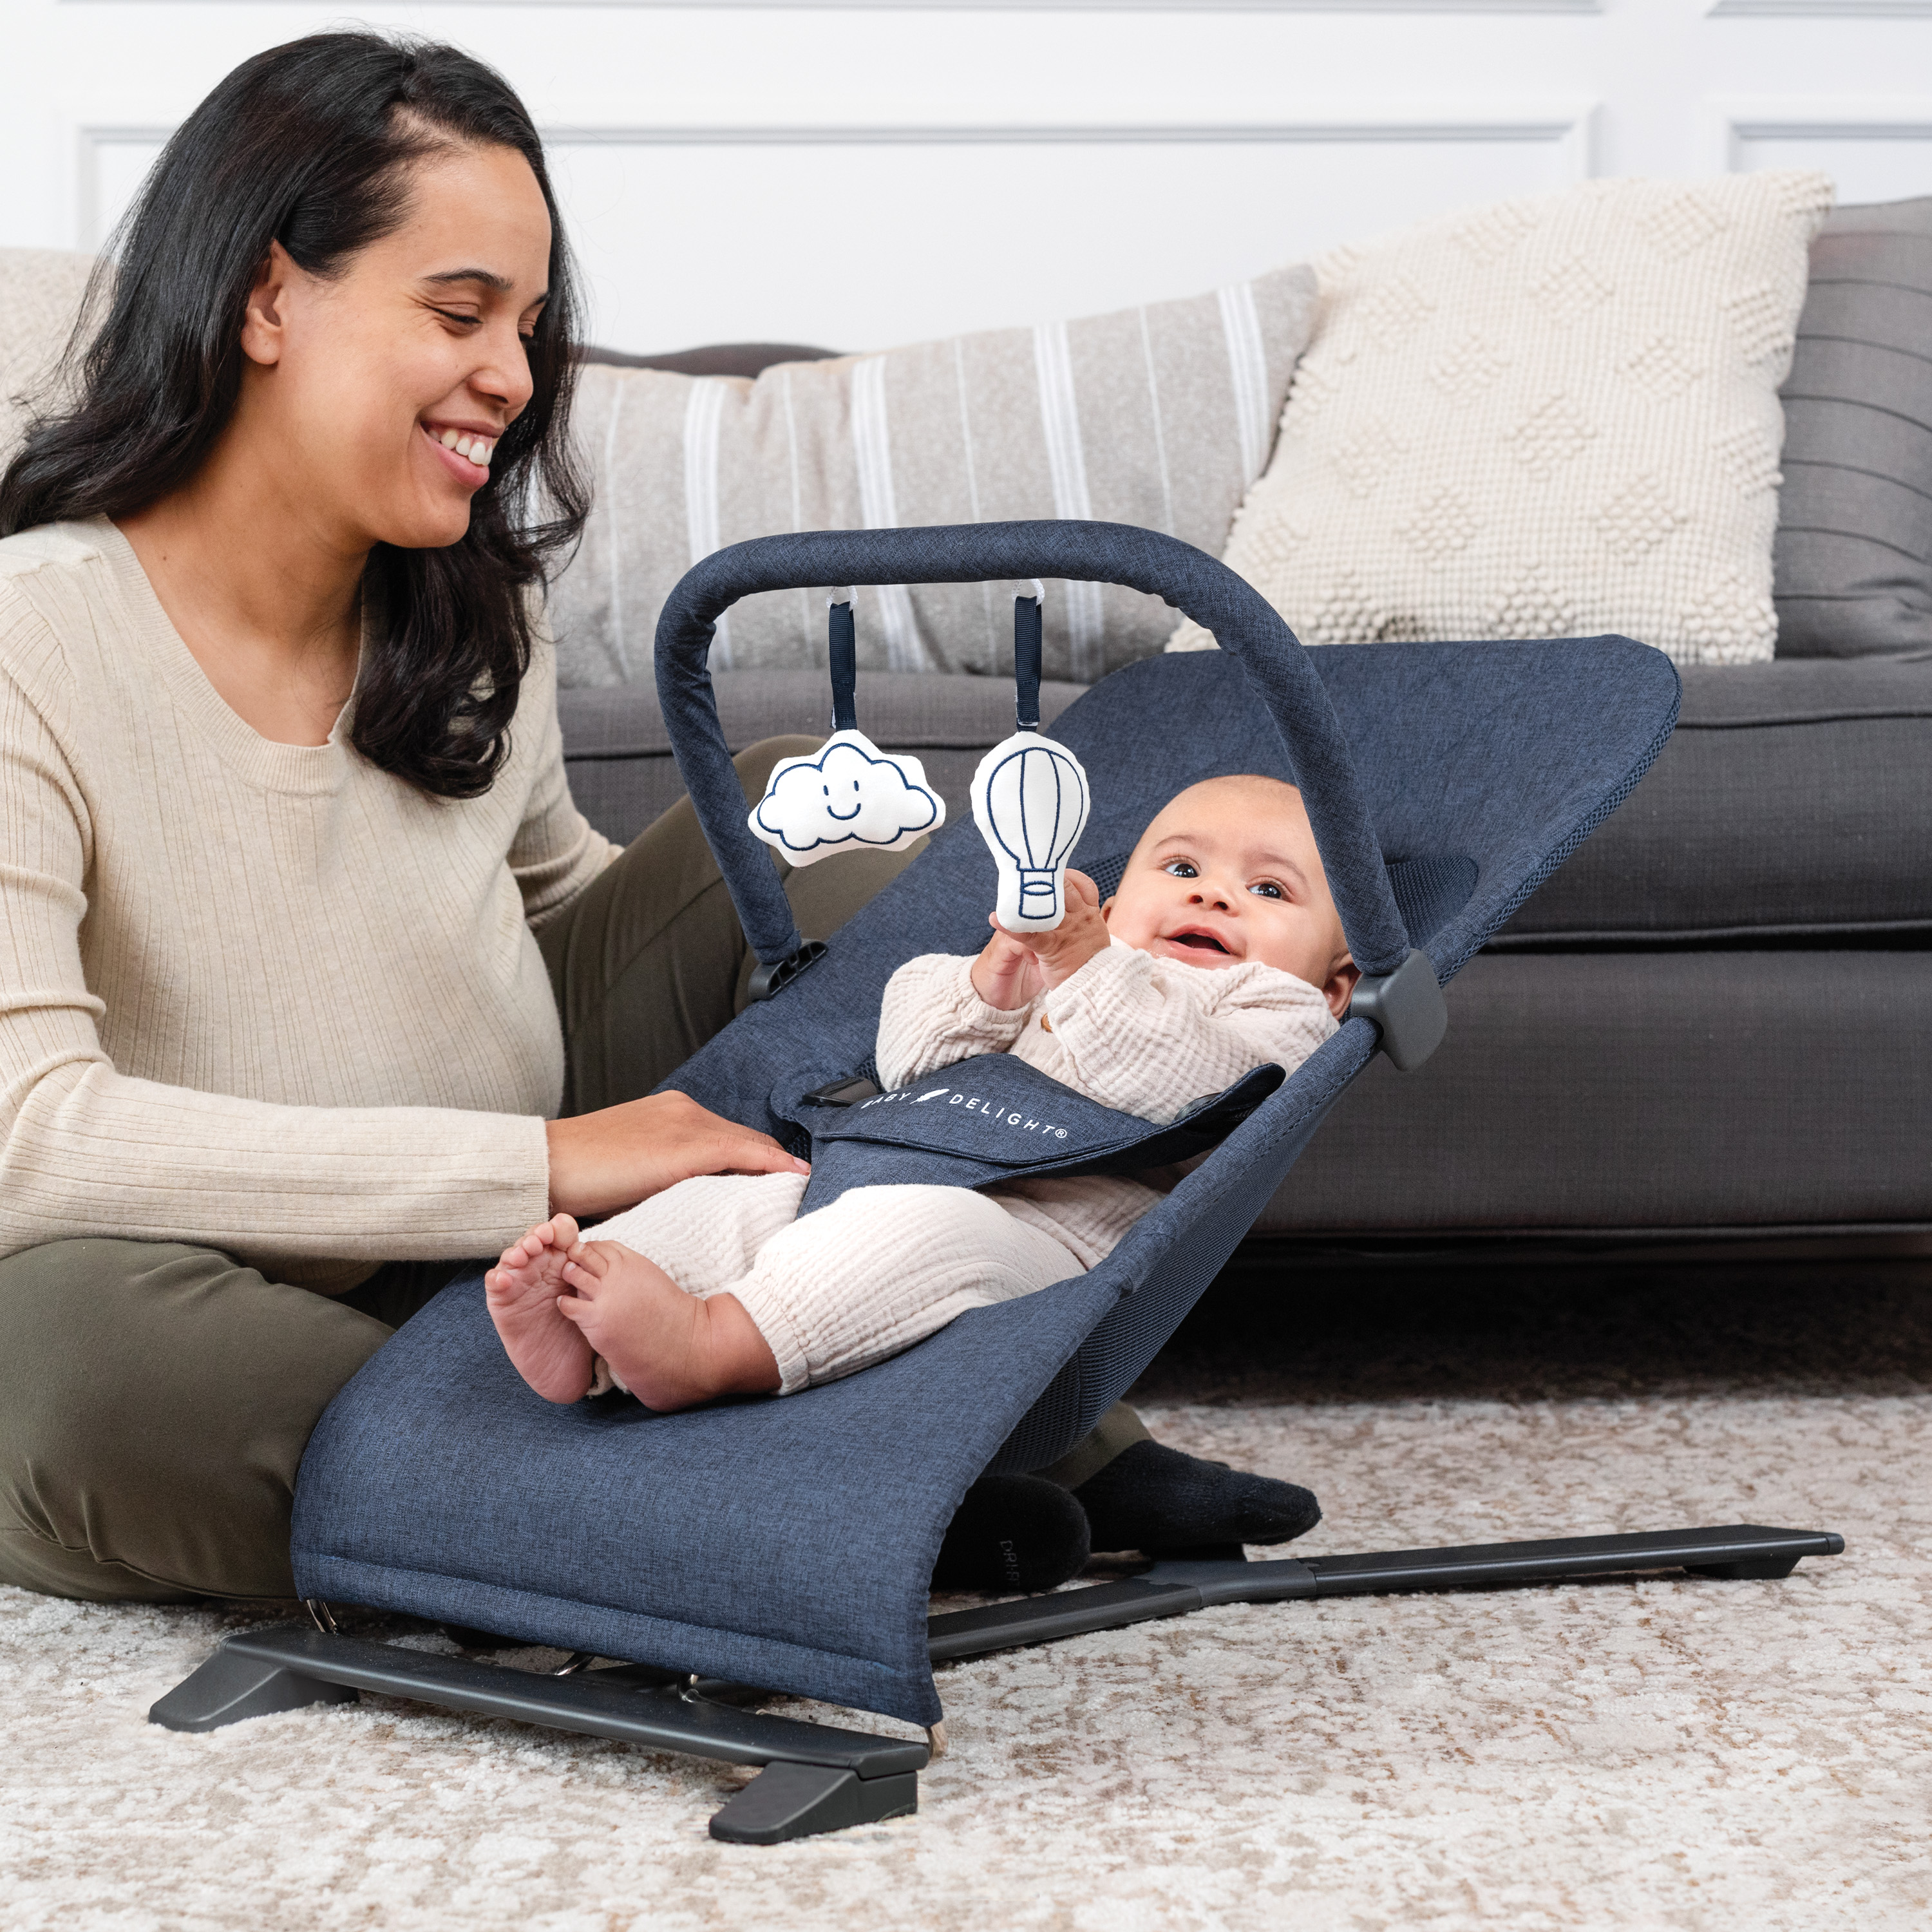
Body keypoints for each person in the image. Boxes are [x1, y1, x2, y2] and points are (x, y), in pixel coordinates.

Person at [0, 30, 1325, 1613]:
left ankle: (997, 1406)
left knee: (810, 804)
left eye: (529, 325)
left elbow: (562, 913)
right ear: (267, 297)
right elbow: (29, 1141)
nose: (512, 375)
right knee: (70, 1373)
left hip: (502, 1230)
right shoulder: (33, 643)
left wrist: (907, 980)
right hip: (198, 1279)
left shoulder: (466, 611)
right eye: (457, 310)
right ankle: (769, 1486)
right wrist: (549, 1160)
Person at [489, 775, 1356, 1432]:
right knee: (725, 1204)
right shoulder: (1064, 966)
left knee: (915, 1237)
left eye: (1271, 891)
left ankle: (710, 1345)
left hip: (1042, 1238)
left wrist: (1093, 961)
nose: (1212, 894)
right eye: (1181, 867)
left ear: (1337, 988)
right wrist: (993, 983)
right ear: (1119, 903)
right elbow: (913, 1064)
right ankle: (587, 1334)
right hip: (877, 1163)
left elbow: (1186, 1085)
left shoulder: (1276, 1015)